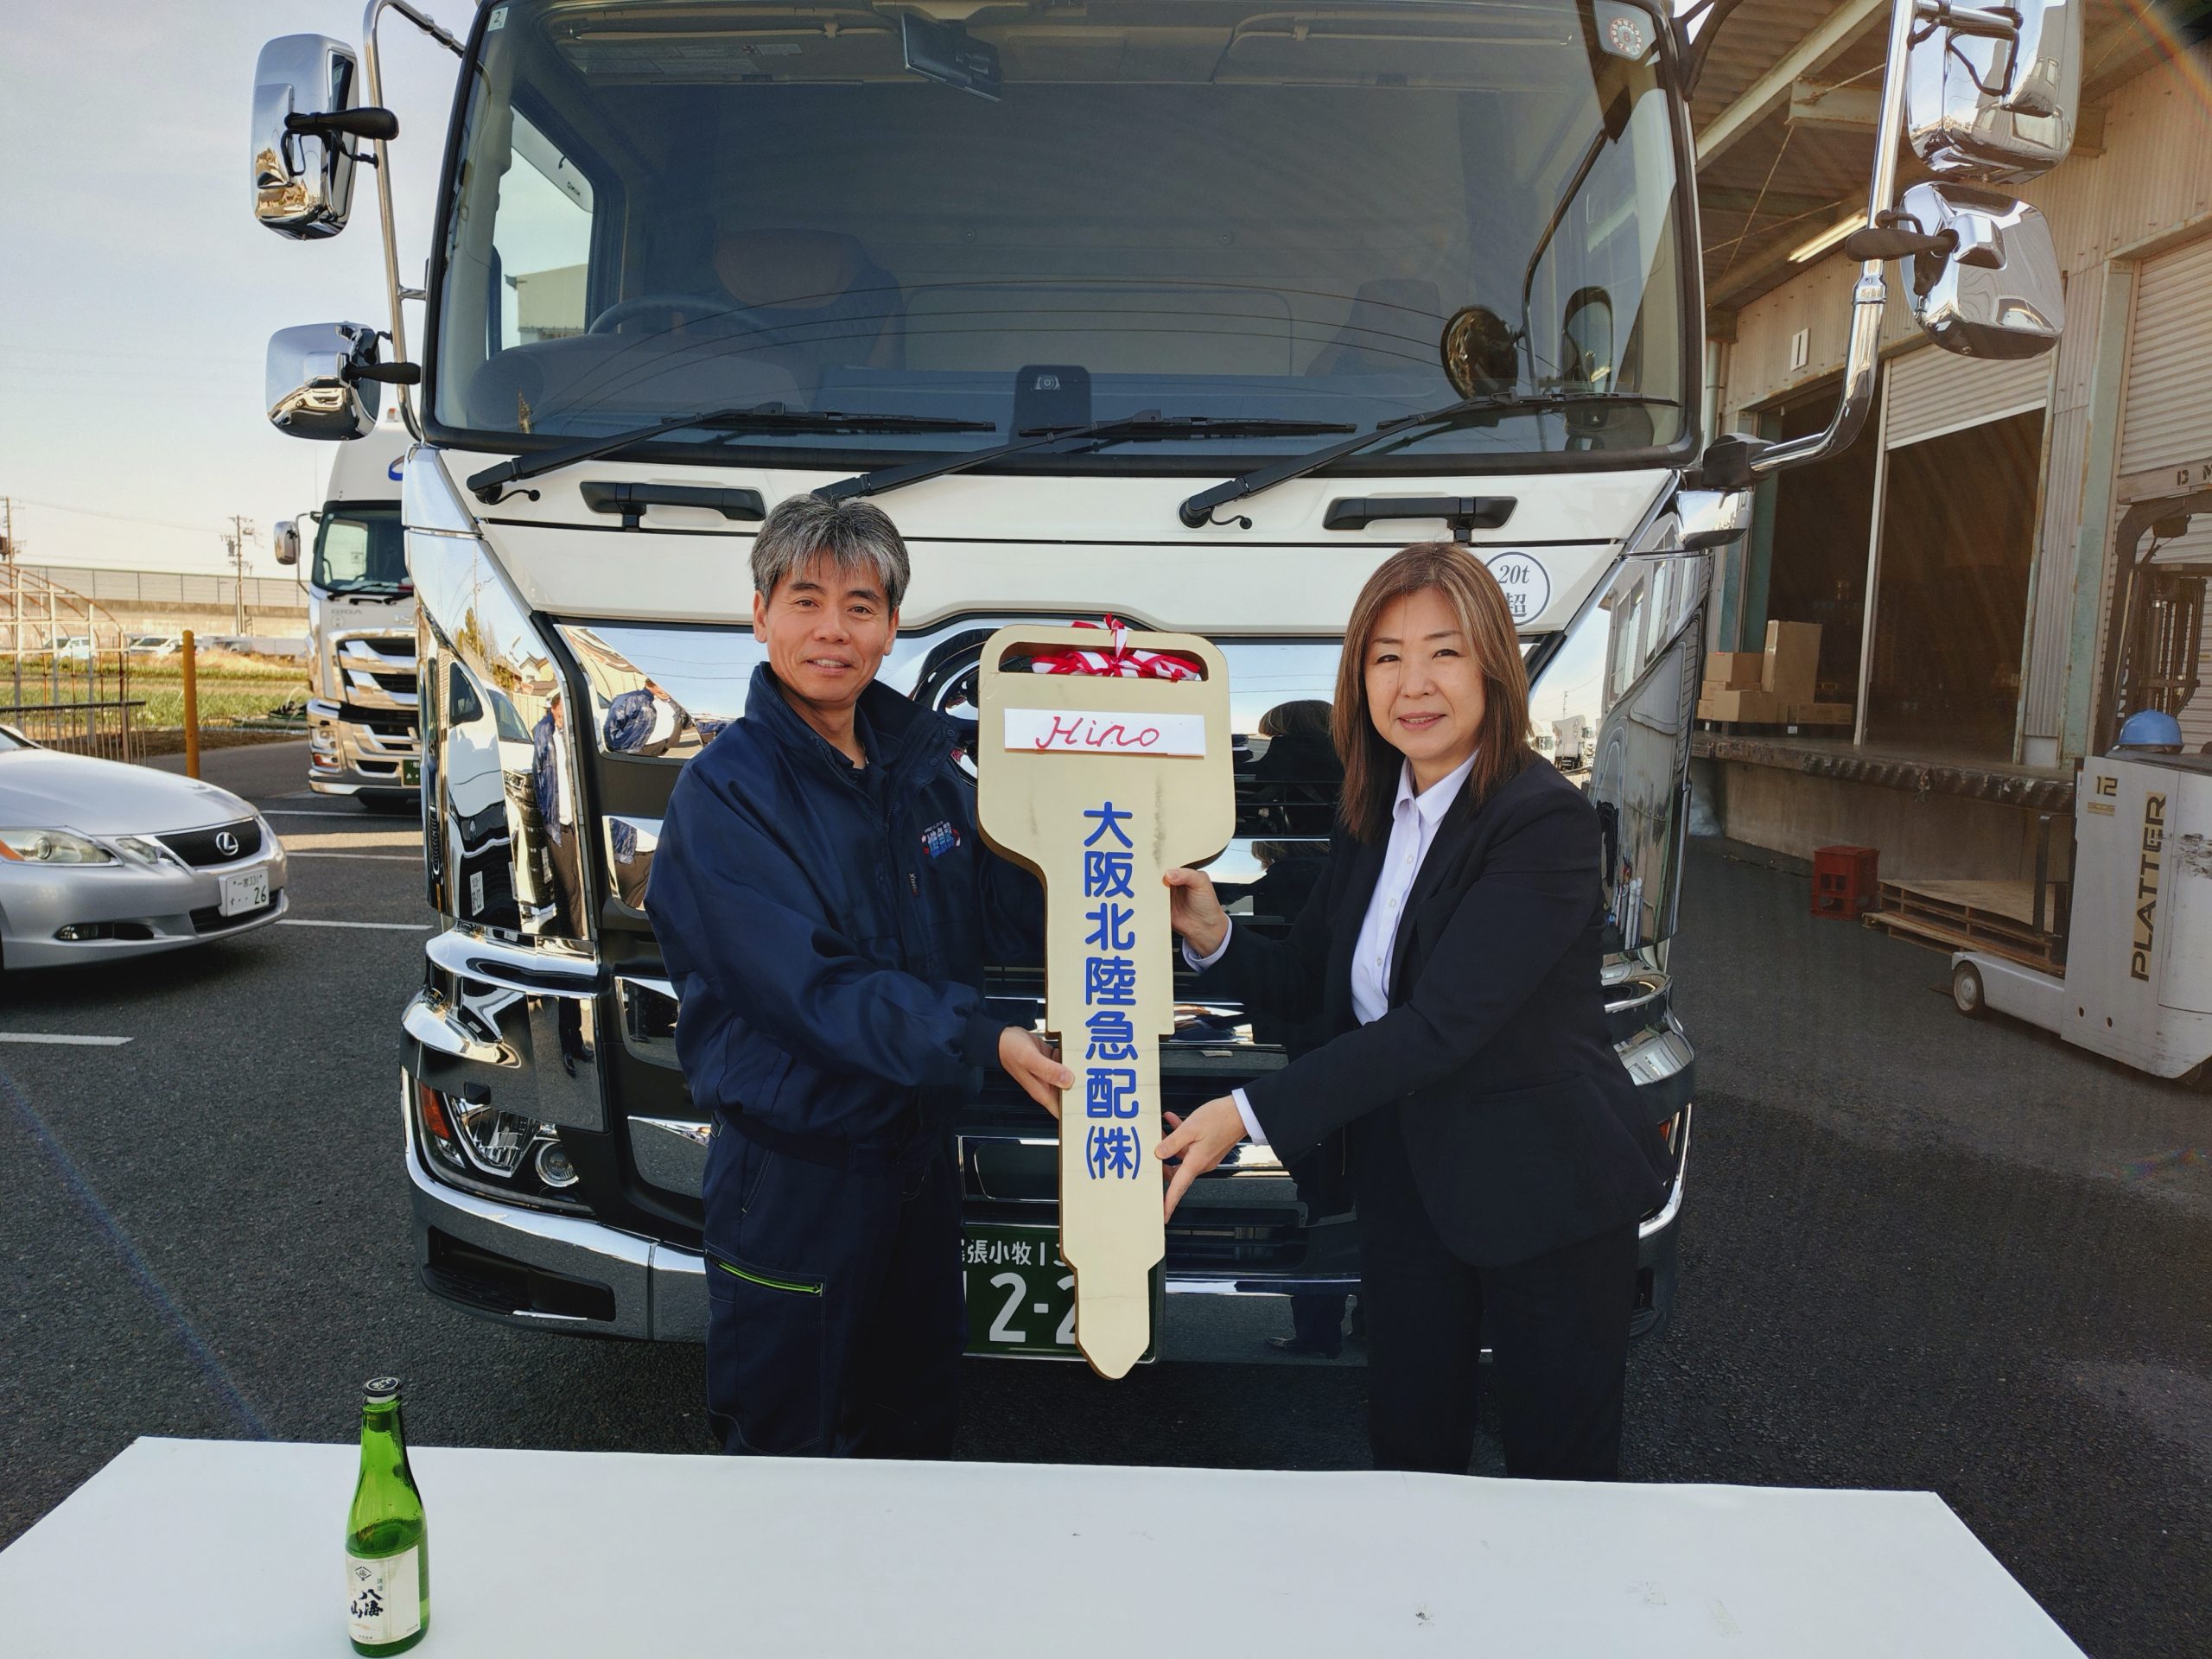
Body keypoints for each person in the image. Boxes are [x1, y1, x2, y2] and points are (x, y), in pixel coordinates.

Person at [1157, 542, 1668, 1479]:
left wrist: (1246, 1114)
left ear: (1492, 667)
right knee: (1409, 1456)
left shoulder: (1541, 820)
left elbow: (1438, 1026)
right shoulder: (1370, 814)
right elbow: (1310, 981)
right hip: (1409, 1189)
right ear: (1359, 679)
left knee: (1559, 1479)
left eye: (1444, 652)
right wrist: (1213, 933)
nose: (1414, 684)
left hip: (1545, 1189)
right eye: (1387, 656)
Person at [645, 493, 1065, 1459]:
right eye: (806, 601)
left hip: (918, 1170)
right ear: (761, 616)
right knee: (789, 1447)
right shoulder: (724, 795)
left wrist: (1115, 879)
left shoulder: (922, 767)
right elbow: (809, 989)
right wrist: (980, 1037)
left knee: (915, 1435)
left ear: (891, 627)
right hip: (797, 1178)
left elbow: (1001, 907)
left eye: (860, 606)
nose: (833, 629)